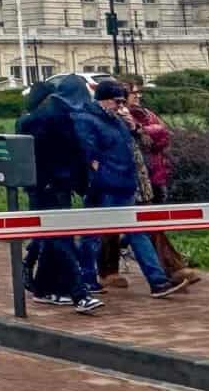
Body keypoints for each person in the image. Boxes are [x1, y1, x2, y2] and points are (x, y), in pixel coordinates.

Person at [71, 80, 189, 298]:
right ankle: (86, 277)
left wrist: (132, 125)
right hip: (104, 187)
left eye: (124, 101)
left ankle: (158, 282)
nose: (122, 106)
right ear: (105, 100)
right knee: (93, 235)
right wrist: (101, 173)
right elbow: (87, 152)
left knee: (137, 232)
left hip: (124, 185)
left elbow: (138, 143)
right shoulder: (87, 120)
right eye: (118, 101)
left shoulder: (117, 120)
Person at [16, 76, 101, 313]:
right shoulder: (55, 118)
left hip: (49, 185)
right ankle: (79, 293)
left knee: (55, 238)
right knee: (60, 238)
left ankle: (43, 287)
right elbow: (71, 152)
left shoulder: (45, 116)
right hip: (50, 185)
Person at [127, 87, 199, 285]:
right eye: (133, 92)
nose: (138, 96)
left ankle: (166, 270)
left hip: (153, 174)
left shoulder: (147, 114)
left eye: (138, 91)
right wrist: (146, 131)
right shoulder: (122, 117)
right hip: (131, 180)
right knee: (147, 225)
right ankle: (171, 269)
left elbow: (161, 137)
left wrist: (148, 131)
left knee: (144, 226)